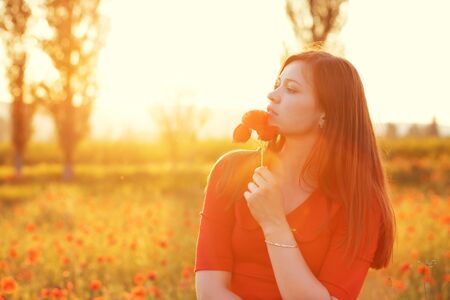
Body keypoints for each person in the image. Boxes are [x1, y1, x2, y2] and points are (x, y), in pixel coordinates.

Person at [194, 50, 396, 300]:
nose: (272, 95)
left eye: (291, 89)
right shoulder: (230, 171)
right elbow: (209, 291)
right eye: (276, 85)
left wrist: (274, 224)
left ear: (327, 111)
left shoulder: (361, 203)